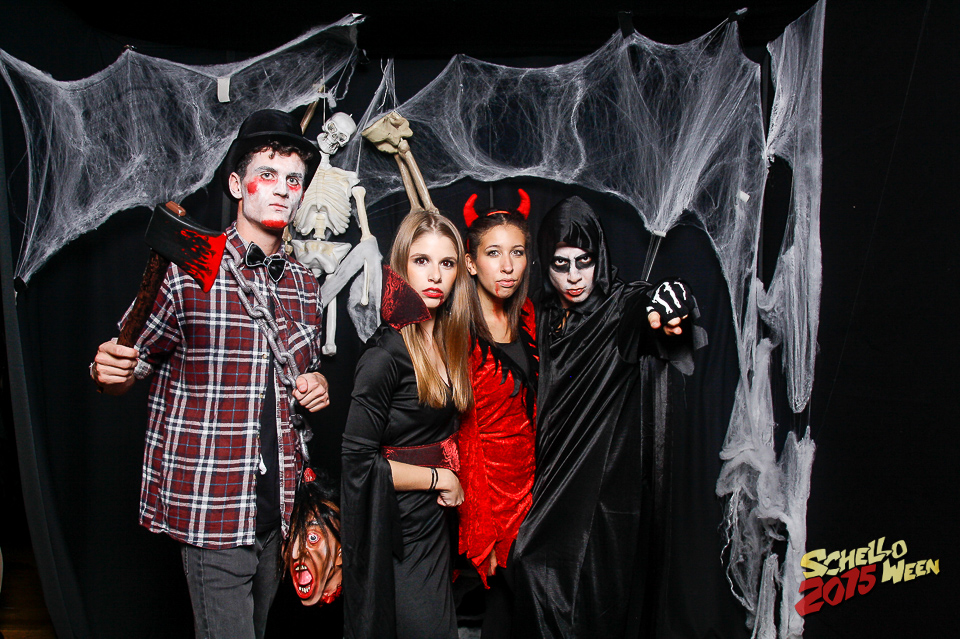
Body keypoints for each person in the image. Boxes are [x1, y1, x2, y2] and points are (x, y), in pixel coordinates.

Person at [90, 109, 331, 639]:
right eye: (267, 174)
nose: (282, 189)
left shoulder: (305, 285)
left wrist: (317, 384)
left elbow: (302, 372)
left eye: (294, 180)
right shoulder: (187, 270)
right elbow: (129, 364)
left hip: (278, 510)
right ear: (237, 185)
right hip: (214, 503)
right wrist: (108, 368)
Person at [510, 195, 703, 638]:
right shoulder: (544, 314)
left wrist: (669, 300)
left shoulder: (618, 307)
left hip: (596, 482)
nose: (574, 276)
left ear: (599, 257)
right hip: (548, 476)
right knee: (536, 582)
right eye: (560, 264)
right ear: (545, 262)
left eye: (585, 261)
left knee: (577, 595)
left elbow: (647, 304)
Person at [341, 211, 473, 639]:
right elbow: (358, 463)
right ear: (401, 266)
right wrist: (440, 478)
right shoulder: (384, 355)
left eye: (447, 263)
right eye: (421, 261)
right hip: (400, 529)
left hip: (436, 523)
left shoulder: (449, 341)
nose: (435, 275)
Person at [456, 191, 537, 638]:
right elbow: (464, 438)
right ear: (470, 264)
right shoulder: (459, 334)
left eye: (517, 253)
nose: (507, 266)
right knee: (510, 604)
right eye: (493, 253)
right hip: (492, 497)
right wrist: (480, 526)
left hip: (539, 489)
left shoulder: (529, 318)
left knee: (523, 612)